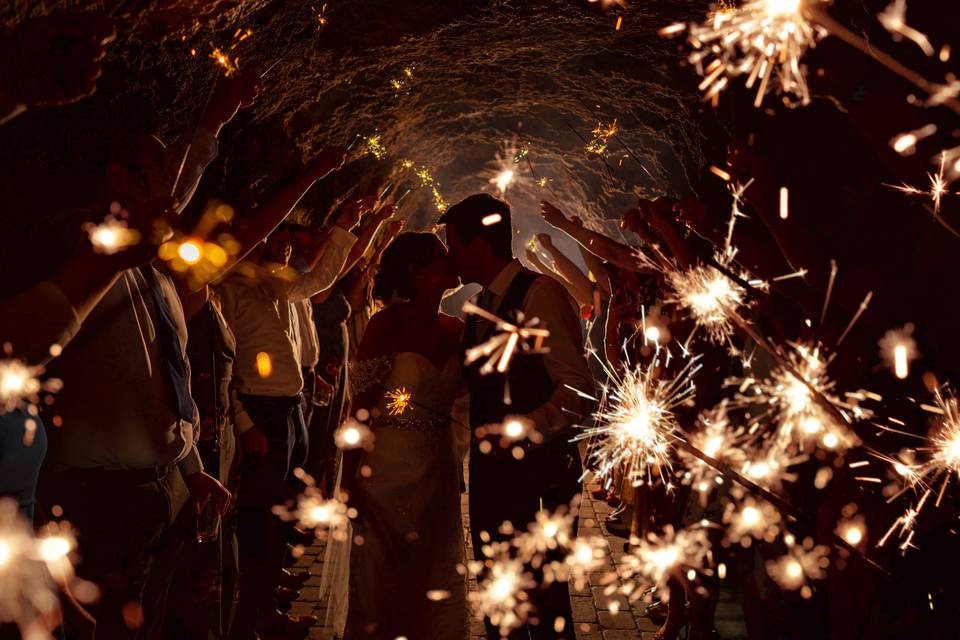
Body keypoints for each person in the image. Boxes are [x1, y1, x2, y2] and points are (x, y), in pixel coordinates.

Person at [437, 194, 595, 639]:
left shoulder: (541, 293)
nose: (450, 257)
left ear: (479, 246)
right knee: (498, 587)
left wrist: (529, 425)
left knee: (545, 597)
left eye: (454, 245)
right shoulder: (477, 307)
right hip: (491, 471)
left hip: (542, 471)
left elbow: (577, 386)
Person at [216, 203, 359, 639]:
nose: (280, 245)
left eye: (283, 237)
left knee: (283, 508)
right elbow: (225, 362)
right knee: (259, 516)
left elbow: (318, 282)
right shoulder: (227, 287)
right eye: (273, 236)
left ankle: (267, 603)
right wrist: (243, 422)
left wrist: (342, 231)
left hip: (290, 405)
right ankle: (251, 616)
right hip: (260, 409)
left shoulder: (275, 282)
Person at [339, 232, 469, 640]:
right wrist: (347, 480)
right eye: (440, 256)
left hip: (440, 468)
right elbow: (359, 407)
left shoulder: (459, 329)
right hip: (387, 469)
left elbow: (465, 403)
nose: (451, 260)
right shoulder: (386, 325)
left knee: (434, 572)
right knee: (383, 578)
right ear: (416, 271)